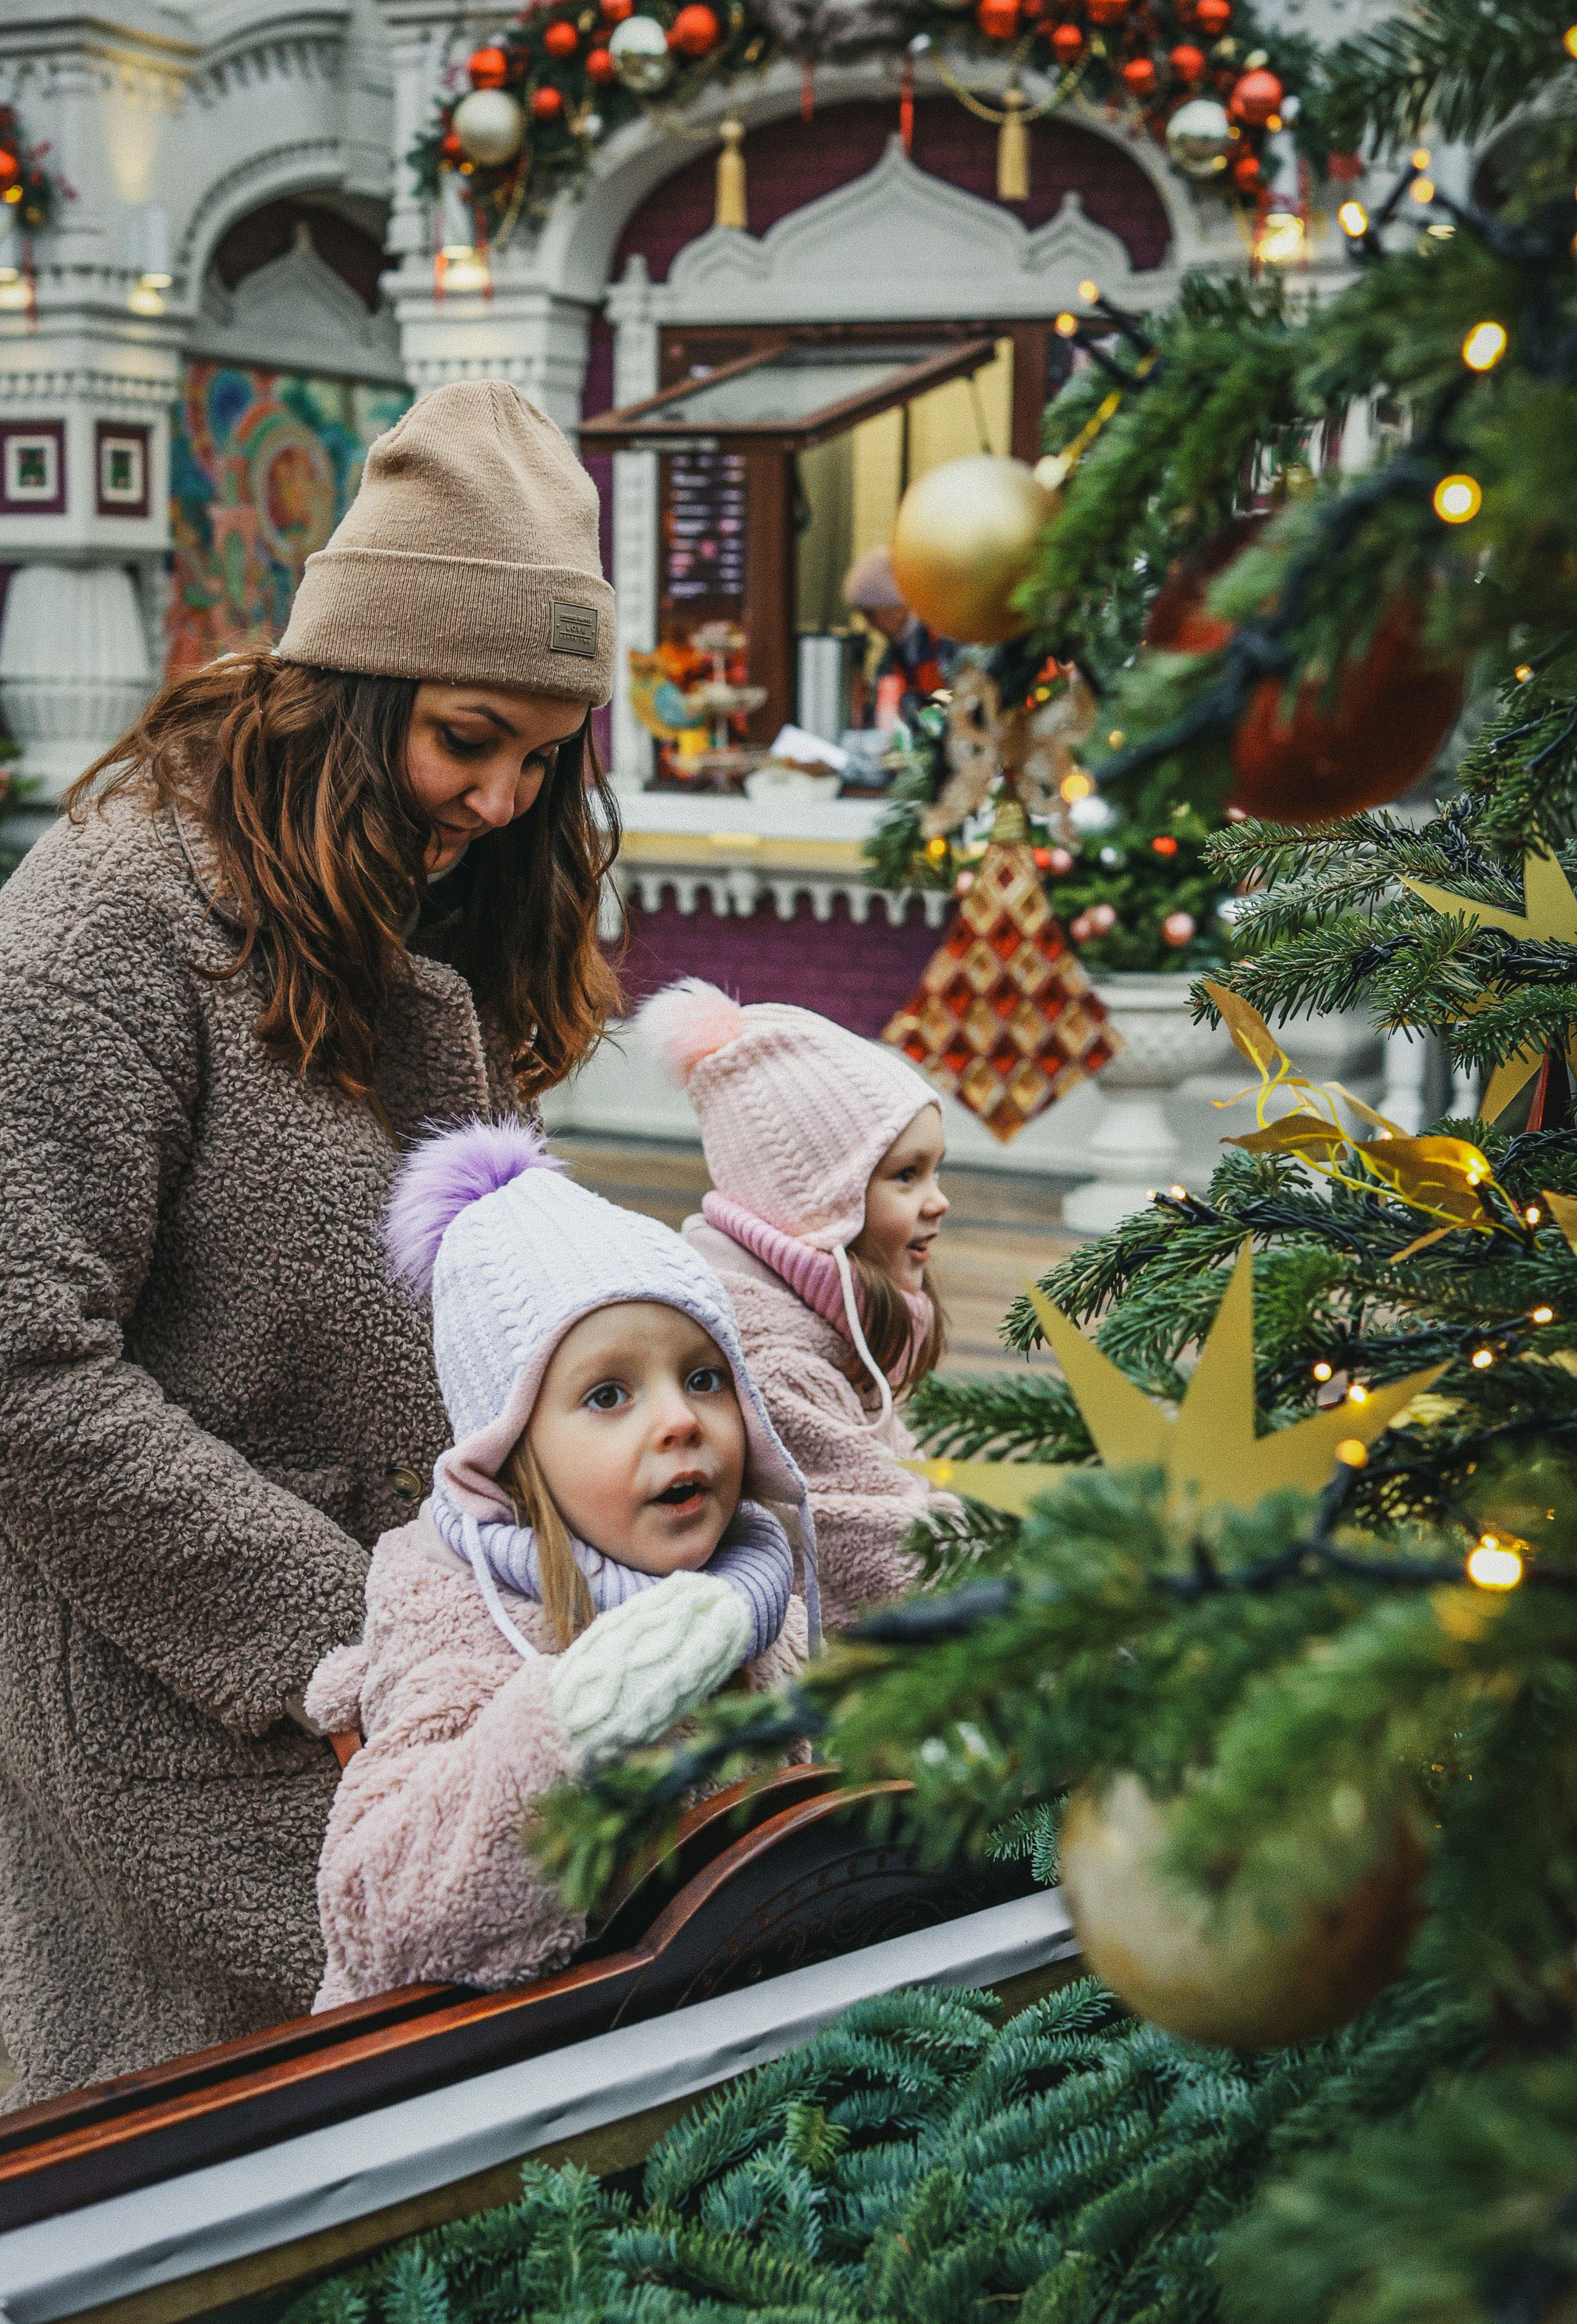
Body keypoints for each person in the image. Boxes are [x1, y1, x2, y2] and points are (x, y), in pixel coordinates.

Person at [0, 380, 619, 2103]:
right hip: (208, 1726)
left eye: (542, 758)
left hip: (431, 1700)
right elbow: (19, 1363)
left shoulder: (423, 920)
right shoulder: (109, 919)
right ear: (354, 685)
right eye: (466, 738)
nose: (501, 798)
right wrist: (360, 1634)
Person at [305, 1121, 813, 2005]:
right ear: (508, 1456)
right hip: (501, 2094)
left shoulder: (762, 1591)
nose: (680, 1419)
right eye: (608, 1394)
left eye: (703, 1377)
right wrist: (588, 1707)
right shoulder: (457, 1618)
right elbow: (383, 1915)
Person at [640, 981, 954, 1631]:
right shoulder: (776, 1364)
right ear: (819, 1203)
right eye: (906, 1175)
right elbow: (875, 1548)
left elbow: (903, 1474)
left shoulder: (828, 1316)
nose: (938, 1200)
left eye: (934, 1170)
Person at [843, 545, 952, 730]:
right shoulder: (894, 654)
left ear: (894, 609)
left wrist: (924, 708)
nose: (872, 626)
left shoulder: (944, 638)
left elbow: (961, 694)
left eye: (871, 615)